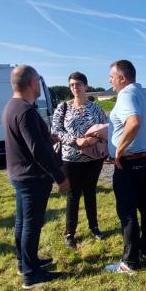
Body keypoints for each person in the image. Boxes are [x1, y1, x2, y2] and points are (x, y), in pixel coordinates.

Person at [3, 65, 70, 289]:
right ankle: (31, 275)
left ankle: (25, 262)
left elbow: (29, 140)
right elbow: (38, 151)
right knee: (32, 224)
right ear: (33, 83)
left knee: (23, 222)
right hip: (31, 176)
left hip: (19, 174)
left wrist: (45, 136)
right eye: (39, 83)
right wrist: (60, 177)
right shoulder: (25, 110)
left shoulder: (12, 106)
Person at [104, 60, 146, 274]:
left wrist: (119, 150)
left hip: (129, 163)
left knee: (127, 211)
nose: (109, 80)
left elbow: (134, 122)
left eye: (112, 77)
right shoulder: (145, 95)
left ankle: (129, 262)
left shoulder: (126, 94)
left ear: (122, 77)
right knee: (145, 205)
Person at [51, 71, 109, 249]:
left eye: (78, 84)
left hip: (93, 159)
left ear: (86, 86)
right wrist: (76, 141)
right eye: (71, 85)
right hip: (70, 159)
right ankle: (70, 234)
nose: (74, 88)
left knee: (91, 193)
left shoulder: (96, 108)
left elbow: (106, 129)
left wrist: (91, 140)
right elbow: (56, 131)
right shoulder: (63, 108)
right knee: (73, 195)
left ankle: (94, 227)